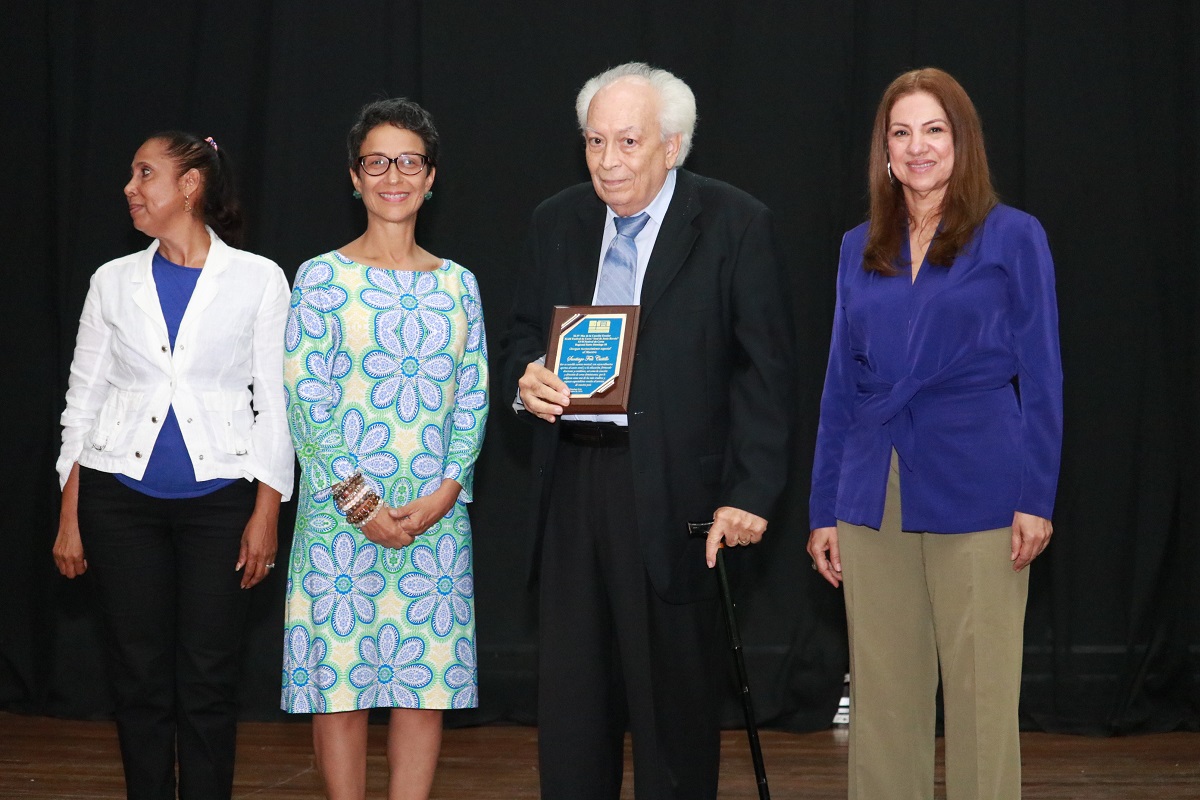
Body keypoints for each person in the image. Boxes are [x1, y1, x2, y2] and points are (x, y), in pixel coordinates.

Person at [501, 62, 794, 799]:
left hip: (677, 494)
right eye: (595, 142)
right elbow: (520, 336)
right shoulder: (555, 220)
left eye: (627, 142)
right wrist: (524, 376)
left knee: (673, 717)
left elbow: (765, 371)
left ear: (673, 145)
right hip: (572, 485)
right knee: (572, 712)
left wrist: (752, 491)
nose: (608, 162)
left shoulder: (735, 223)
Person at [807, 67, 1063, 800]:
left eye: (933, 130)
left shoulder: (1014, 236)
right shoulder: (860, 243)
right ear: (884, 150)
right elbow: (838, 386)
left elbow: (1044, 377)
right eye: (901, 132)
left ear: (961, 141)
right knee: (885, 700)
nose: (917, 147)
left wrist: (1036, 496)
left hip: (981, 481)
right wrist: (825, 507)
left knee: (982, 695)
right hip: (871, 484)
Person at [53, 131, 293, 799]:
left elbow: (274, 403)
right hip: (116, 502)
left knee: (209, 679)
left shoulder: (259, 279)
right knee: (138, 677)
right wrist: (70, 514)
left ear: (190, 186)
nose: (131, 188)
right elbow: (83, 401)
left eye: (145, 174)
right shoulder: (111, 280)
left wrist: (267, 511)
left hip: (222, 503)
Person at [281, 98, 488, 800]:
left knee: (421, 688)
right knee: (340, 689)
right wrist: (361, 500)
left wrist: (444, 494)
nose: (393, 175)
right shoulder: (318, 278)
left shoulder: (460, 285)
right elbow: (307, 400)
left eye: (409, 161)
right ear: (354, 176)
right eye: (377, 162)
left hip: (433, 517)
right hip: (340, 519)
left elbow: (474, 396)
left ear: (432, 178)